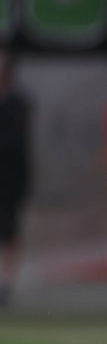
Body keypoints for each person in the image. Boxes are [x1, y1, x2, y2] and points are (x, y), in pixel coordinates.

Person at [0, 50, 29, 308]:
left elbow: (16, 143)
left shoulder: (18, 103)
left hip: (9, 182)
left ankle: (6, 284)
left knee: (9, 233)